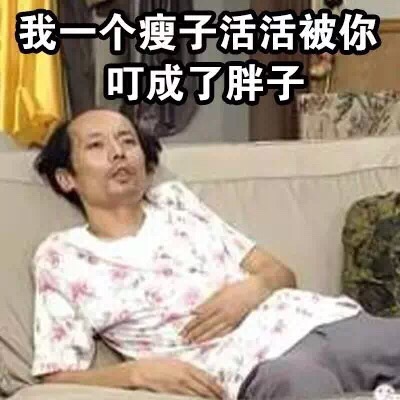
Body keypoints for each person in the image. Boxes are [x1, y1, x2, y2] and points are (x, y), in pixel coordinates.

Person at [31, 108, 400, 400]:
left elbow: (279, 273)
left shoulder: (174, 202)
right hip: (259, 365)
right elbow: (55, 377)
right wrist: (137, 373)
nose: (118, 152)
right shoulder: (62, 257)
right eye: (96, 145)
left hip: (324, 322)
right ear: (67, 178)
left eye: (127, 141)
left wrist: (255, 289)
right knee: (299, 386)